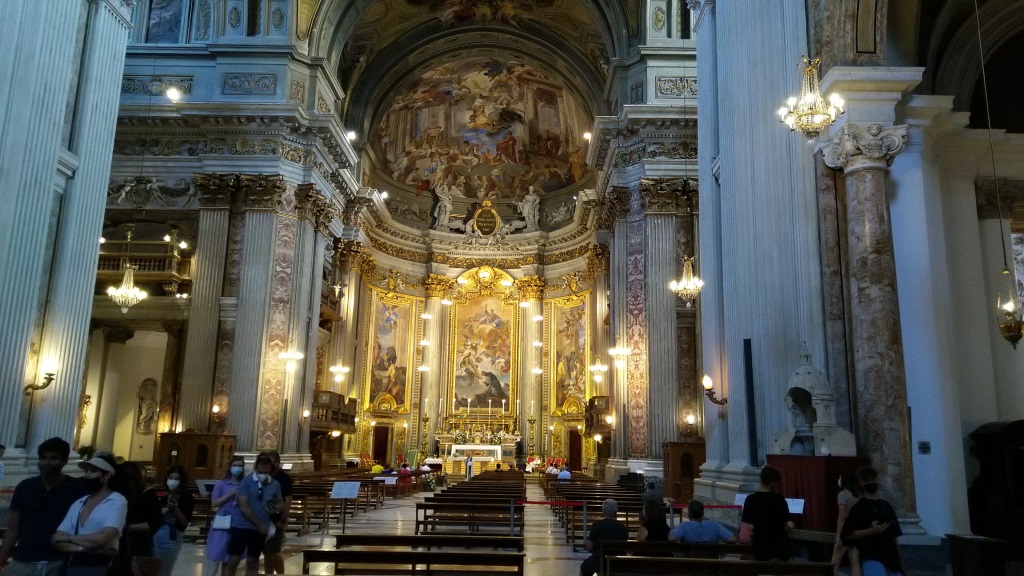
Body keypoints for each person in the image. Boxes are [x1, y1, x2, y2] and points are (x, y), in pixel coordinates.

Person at [0, 437, 85, 576]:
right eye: (43, 458)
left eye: (53, 458)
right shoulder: (25, 487)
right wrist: (2, 561)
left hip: (59, 560)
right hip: (24, 558)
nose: (47, 462)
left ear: (65, 461)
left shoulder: (77, 489)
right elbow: (13, 529)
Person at [50, 454, 128, 576]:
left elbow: (103, 538)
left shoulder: (117, 501)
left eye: (93, 471)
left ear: (107, 475)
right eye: (86, 471)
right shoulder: (79, 503)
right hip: (75, 566)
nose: (87, 475)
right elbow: (56, 540)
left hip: (102, 566)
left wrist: (69, 538)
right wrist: (84, 549)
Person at [225, 455, 282, 576]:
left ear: (270, 470)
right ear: (256, 468)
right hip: (241, 526)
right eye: (260, 472)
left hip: (260, 530)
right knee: (233, 561)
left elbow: (280, 503)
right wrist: (259, 524)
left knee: (253, 562)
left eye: (266, 472)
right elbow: (243, 506)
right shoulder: (246, 482)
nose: (263, 475)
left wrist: (275, 509)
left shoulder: (275, 484)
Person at [841, 466, 904, 576]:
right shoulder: (858, 508)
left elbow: (894, 537)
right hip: (872, 557)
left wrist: (901, 562)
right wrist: (871, 531)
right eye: (867, 480)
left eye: (873, 479)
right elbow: (848, 535)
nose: (871, 482)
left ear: (877, 480)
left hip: (892, 559)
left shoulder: (887, 506)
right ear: (860, 482)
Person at [116, 460, 162, 576]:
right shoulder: (121, 494)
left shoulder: (148, 494)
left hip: (138, 545)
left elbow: (153, 524)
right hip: (120, 546)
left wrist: (128, 527)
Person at [739, 465, 793, 561]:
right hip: (779, 547)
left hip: (760, 547)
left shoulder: (750, 499)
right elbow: (790, 524)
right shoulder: (779, 500)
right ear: (772, 482)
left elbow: (748, 526)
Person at [205, 457, 245, 576]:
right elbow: (214, 503)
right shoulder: (221, 483)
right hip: (222, 522)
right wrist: (229, 494)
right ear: (230, 467)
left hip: (237, 522)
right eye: (235, 465)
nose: (238, 468)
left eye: (240, 466)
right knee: (215, 556)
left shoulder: (244, 484)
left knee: (229, 559)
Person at [155, 466, 194, 576]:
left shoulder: (186, 496)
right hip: (157, 533)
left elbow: (184, 523)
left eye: (177, 479)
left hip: (171, 535)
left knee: (163, 570)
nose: (173, 481)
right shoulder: (165, 497)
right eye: (171, 478)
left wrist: (175, 508)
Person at [579, 499, 628, 576]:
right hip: (618, 562)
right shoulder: (622, 527)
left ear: (603, 511)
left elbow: (589, 546)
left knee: (584, 568)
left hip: (599, 561)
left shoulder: (596, 525)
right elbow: (625, 547)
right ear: (615, 512)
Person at [262, 452, 291, 575]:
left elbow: (288, 500)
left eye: (272, 462)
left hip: (277, 519)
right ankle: (268, 573)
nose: (270, 465)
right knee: (266, 551)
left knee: (273, 551)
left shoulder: (284, 478)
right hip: (263, 519)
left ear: (278, 462)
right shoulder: (264, 476)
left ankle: (280, 574)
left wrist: (282, 520)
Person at [832, 471, 863, 576]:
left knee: (836, 559)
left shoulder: (843, 494)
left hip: (847, 528)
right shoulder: (858, 495)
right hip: (857, 528)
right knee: (854, 560)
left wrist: (838, 535)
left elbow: (842, 517)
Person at [669, 500, 737, 543]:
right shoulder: (715, 526)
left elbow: (671, 538)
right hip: (711, 561)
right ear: (703, 513)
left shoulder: (684, 526)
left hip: (690, 560)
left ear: (689, 514)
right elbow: (733, 538)